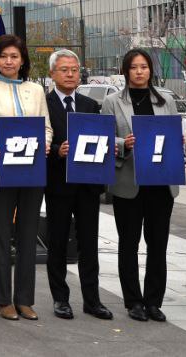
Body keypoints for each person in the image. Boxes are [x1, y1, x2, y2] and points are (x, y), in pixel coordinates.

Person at [102, 48, 181, 322]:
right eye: (134, 67)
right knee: (129, 244)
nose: (139, 71)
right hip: (129, 184)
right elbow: (104, 139)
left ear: (151, 70)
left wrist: (177, 142)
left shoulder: (166, 101)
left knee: (158, 245)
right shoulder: (112, 102)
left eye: (144, 67)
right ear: (126, 71)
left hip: (161, 184)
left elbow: (173, 133)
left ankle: (154, 302)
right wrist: (125, 143)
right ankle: (134, 301)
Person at [0, 35, 52, 321]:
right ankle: (2, 299)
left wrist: (46, 142)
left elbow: (46, 127)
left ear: (22, 61)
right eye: (3, 56)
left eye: (14, 56)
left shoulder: (36, 90)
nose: (9, 61)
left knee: (27, 234)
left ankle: (24, 299)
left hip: (33, 170)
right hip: (1, 169)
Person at [43, 50, 113, 321]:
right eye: (64, 69)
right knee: (58, 242)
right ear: (52, 74)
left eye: (74, 69)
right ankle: (61, 299)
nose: (71, 74)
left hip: (87, 185)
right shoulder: (44, 105)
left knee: (88, 244)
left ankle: (92, 300)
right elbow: (38, 143)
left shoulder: (90, 105)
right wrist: (57, 150)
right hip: (58, 184)